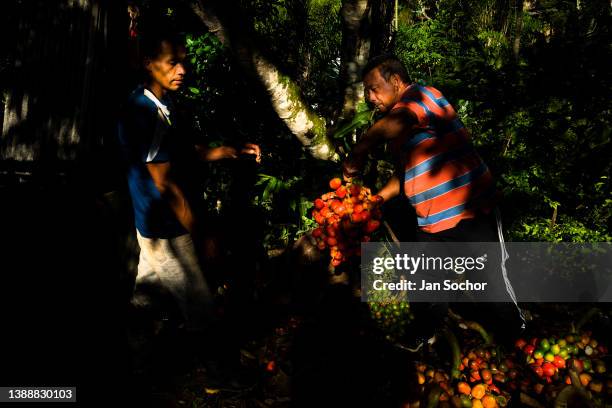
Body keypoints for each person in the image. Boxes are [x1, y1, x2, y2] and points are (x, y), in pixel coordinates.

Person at [343, 54, 525, 343]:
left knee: (489, 285)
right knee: (424, 285)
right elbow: (406, 175)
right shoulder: (400, 131)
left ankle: (518, 338)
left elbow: (398, 121)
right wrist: (375, 200)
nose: (369, 97)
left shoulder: (423, 97)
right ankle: (424, 338)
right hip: (431, 220)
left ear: (396, 81)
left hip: (470, 211)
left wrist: (359, 150)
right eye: (366, 90)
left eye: (374, 88)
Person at [118, 29, 261, 335]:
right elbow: (165, 184)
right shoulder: (146, 112)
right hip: (167, 229)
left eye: (183, 62)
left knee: (145, 302)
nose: (182, 70)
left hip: (151, 225)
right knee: (200, 308)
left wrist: (227, 151)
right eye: (172, 63)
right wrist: (201, 235)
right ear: (148, 63)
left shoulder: (160, 103)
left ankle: (132, 361)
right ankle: (219, 373)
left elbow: (181, 150)